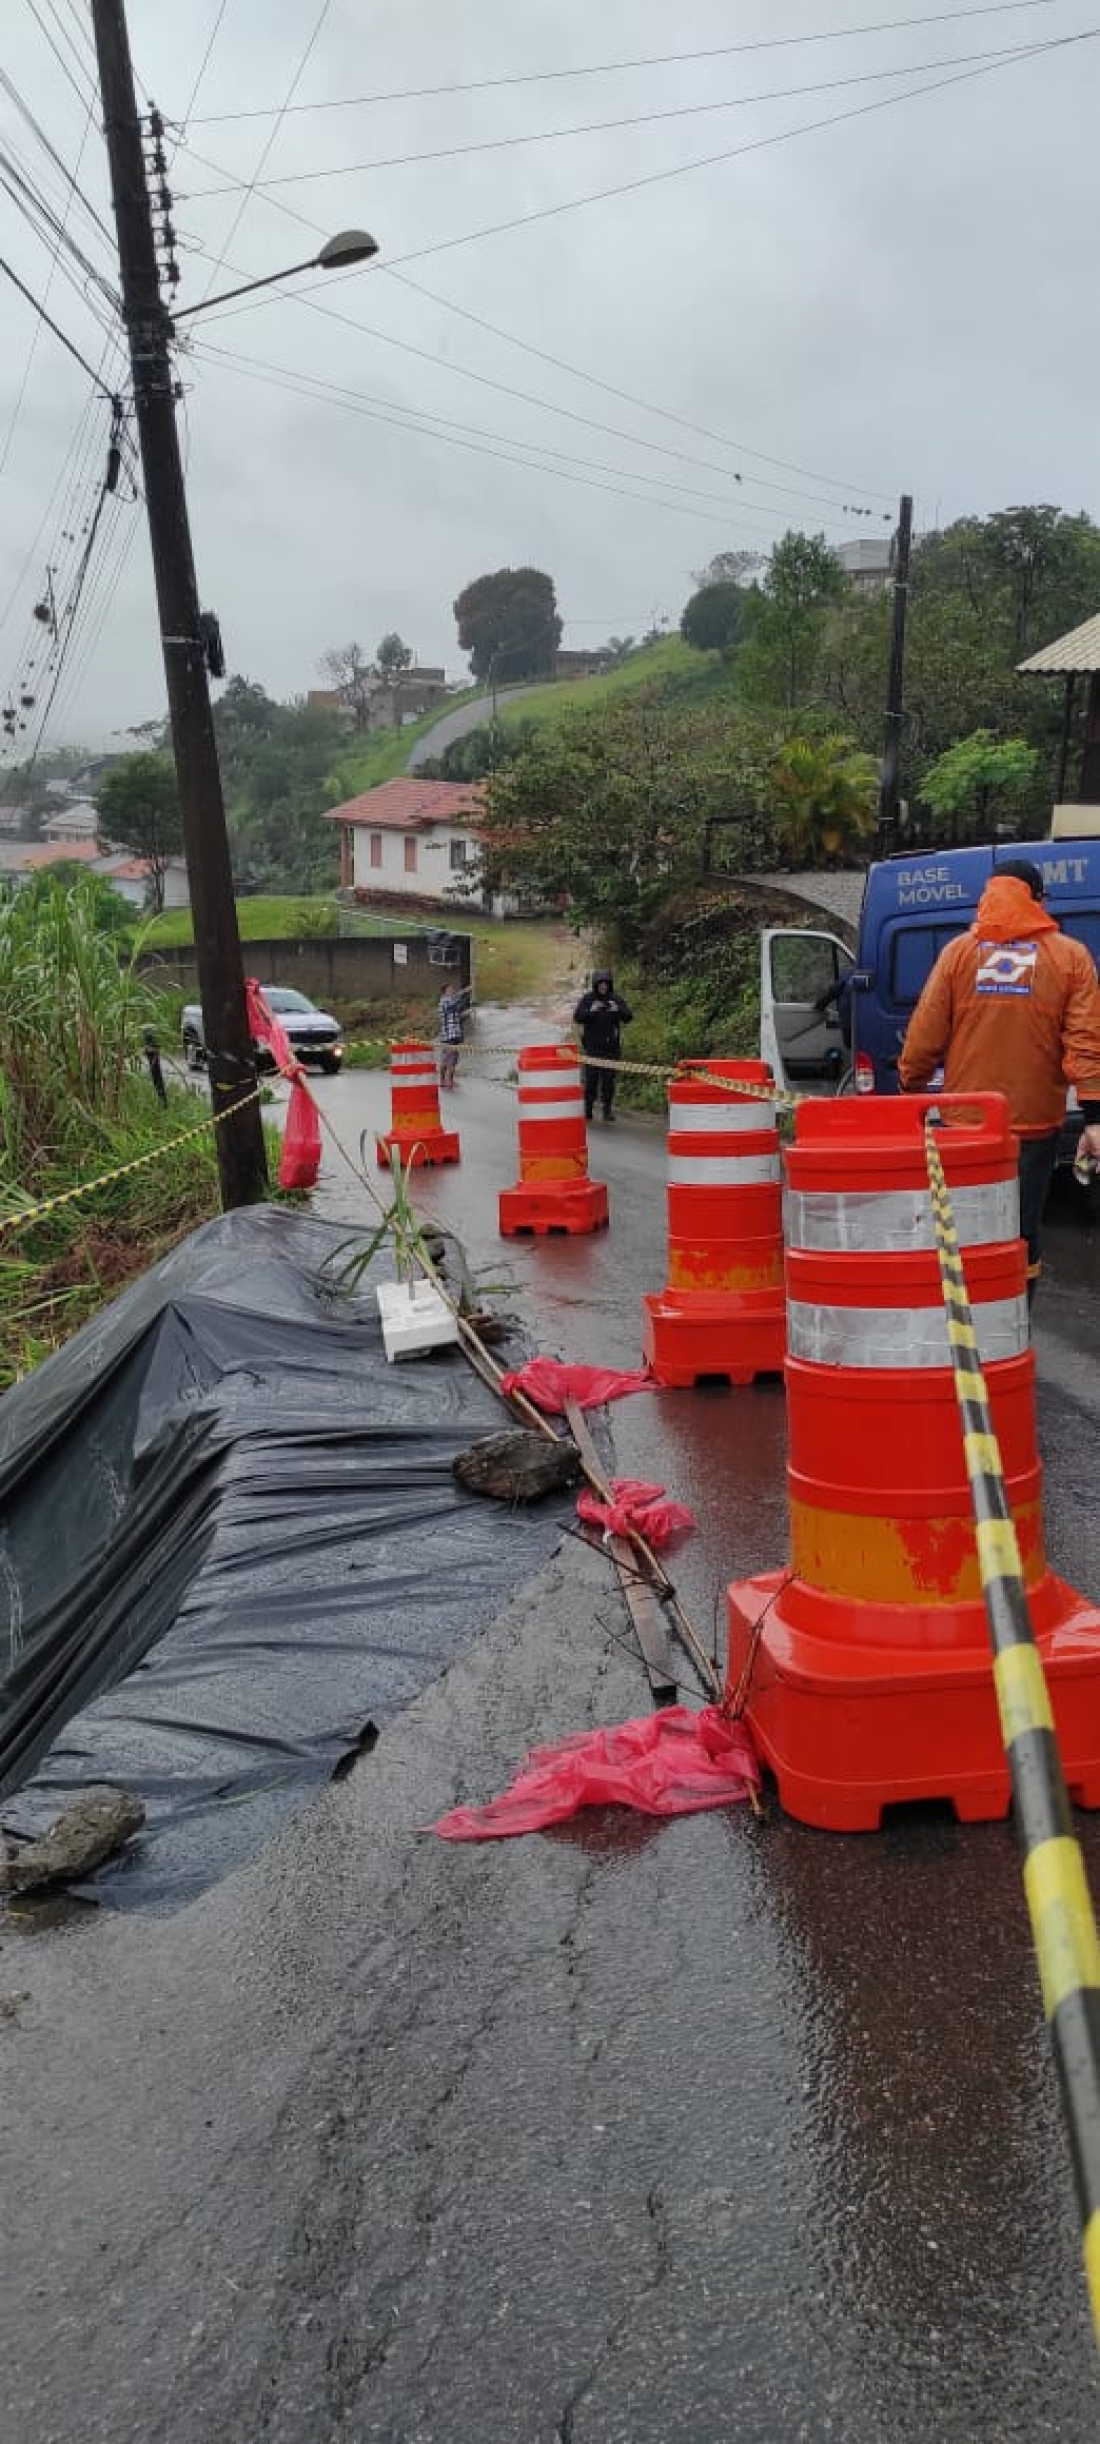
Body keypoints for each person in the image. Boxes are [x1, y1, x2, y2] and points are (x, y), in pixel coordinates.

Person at [898, 858, 1100, 1294]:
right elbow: (1085, 1042)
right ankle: (1013, 1327)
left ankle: (965, 1324)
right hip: (1033, 1127)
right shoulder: (1070, 956)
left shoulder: (959, 952)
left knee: (965, 1228)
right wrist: (1094, 1116)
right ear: (1038, 899)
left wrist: (911, 1091)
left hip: (965, 1124)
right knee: (1021, 1231)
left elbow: (923, 1034)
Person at [573, 969, 634, 1121]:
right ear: (595, 985)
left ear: (609, 985)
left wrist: (617, 1010)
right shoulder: (588, 999)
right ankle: (588, 1108)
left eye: (606, 984)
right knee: (591, 1080)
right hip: (593, 1048)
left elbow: (629, 1016)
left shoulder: (615, 999)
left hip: (611, 1049)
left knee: (608, 1082)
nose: (603, 987)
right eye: (600, 984)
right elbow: (578, 1017)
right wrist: (592, 1011)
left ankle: (607, 1110)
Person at [438, 980, 472, 1089]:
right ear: (444, 992)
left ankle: (449, 1080)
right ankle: (444, 1080)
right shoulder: (444, 1001)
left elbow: (455, 1014)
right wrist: (465, 991)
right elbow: (452, 1005)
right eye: (450, 989)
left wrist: (464, 1014)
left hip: (456, 1034)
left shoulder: (451, 1001)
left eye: (453, 989)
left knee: (454, 1058)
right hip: (448, 1035)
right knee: (447, 1058)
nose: (452, 991)